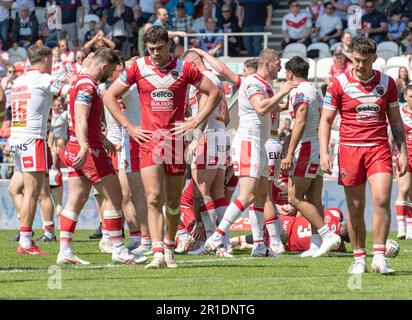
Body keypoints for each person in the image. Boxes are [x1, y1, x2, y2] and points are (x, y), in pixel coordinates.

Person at [103, 26, 221, 269]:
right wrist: (129, 126)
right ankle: (157, 252)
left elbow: (214, 92)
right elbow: (109, 96)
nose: (155, 53)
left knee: (174, 201)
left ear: (169, 45)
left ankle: (169, 246)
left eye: (159, 48)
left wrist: (196, 120)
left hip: (175, 142)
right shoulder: (137, 67)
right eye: (151, 48)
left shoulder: (184, 68)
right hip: (149, 141)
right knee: (153, 198)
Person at [319, 36, 408, 274]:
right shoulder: (338, 84)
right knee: (356, 207)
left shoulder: (387, 83)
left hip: (378, 148)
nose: (360, 66)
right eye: (357, 60)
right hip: (349, 149)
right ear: (352, 57)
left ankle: (379, 256)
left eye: (365, 62)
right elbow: (326, 120)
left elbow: (396, 123)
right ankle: (359, 258)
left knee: (381, 199)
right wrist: (323, 152)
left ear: (375, 59)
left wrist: (402, 152)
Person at [58, 48, 147, 265]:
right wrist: (85, 145)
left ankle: (65, 250)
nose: (109, 77)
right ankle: (117, 248)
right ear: (103, 67)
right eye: (109, 72)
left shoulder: (80, 82)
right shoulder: (87, 86)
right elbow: (80, 118)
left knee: (76, 199)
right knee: (115, 197)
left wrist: (100, 139)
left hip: (81, 146)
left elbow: (85, 118)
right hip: (88, 151)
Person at [205, 49, 297, 258]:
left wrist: (291, 105)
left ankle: (258, 245)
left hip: (260, 144)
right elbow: (261, 108)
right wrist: (283, 92)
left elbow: (271, 109)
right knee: (246, 196)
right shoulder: (253, 82)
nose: (280, 68)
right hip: (248, 142)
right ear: (268, 63)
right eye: (278, 63)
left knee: (261, 197)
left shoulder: (264, 85)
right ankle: (217, 237)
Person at [8, 44, 70, 254]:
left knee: (18, 189)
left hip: (16, 139)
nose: (52, 65)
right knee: (32, 193)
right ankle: (26, 241)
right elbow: (69, 93)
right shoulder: (44, 79)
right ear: (46, 61)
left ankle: (34, 233)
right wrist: (78, 78)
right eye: (51, 61)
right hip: (33, 139)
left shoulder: (19, 81)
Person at [281, 56, 341, 258]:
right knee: (314, 198)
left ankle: (327, 234)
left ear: (290, 74)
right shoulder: (313, 89)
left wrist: (289, 152)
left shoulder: (299, 91)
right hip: (316, 144)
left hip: (306, 146)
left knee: (294, 197)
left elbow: (299, 121)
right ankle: (315, 243)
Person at [182, 50, 229, 247]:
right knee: (217, 192)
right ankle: (224, 241)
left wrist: (195, 138)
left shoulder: (201, 80)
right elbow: (226, 117)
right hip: (220, 135)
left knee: (202, 191)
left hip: (207, 137)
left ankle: (212, 241)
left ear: (192, 64)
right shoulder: (215, 79)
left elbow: (202, 111)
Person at [395, 84, 412, 240]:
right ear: (405, 97)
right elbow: (392, 134)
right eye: (411, 96)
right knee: (404, 188)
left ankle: (410, 229)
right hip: (405, 156)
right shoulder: (400, 113)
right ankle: (401, 228)